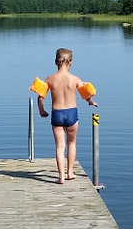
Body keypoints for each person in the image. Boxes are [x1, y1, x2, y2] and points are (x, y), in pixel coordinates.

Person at [35, 47, 98, 184]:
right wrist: (91, 102)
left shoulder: (50, 79)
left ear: (55, 62)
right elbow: (85, 94)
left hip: (57, 114)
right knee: (72, 143)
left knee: (59, 146)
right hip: (71, 114)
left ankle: (61, 177)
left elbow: (40, 97)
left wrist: (41, 110)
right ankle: (70, 172)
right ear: (71, 62)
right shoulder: (74, 79)